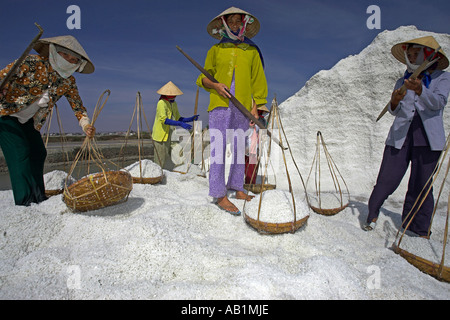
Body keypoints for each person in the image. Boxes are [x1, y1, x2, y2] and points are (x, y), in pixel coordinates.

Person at [364, 36, 450, 238]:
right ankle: (372, 216)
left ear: (428, 55)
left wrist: (420, 89)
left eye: (415, 54)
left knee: (420, 184)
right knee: (387, 179)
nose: (411, 57)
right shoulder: (402, 80)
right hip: (400, 137)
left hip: (427, 139)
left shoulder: (442, 78)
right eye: (409, 54)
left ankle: (417, 228)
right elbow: (396, 111)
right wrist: (394, 101)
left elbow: (438, 103)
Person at [0, 35, 96, 206]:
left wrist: (86, 125)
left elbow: (78, 106)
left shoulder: (68, 81)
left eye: (74, 59)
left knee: (38, 152)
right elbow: (5, 76)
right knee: (19, 152)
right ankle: (24, 201)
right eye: (65, 55)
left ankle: (38, 197)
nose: (69, 60)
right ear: (55, 52)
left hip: (30, 120)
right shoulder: (30, 62)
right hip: (6, 114)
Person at [196, 7, 268, 215]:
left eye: (239, 21)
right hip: (220, 103)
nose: (236, 25)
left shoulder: (252, 51)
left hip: (242, 105)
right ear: (224, 25)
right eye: (232, 22)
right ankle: (219, 194)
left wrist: (255, 107)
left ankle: (237, 187)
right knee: (218, 148)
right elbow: (202, 78)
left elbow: (258, 81)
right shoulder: (216, 50)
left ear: (244, 23)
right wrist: (216, 85)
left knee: (239, 148)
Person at [151, 81, 198, 170]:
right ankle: (158, 176)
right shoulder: (161, 103)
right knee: (160, 160)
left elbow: (178, 118)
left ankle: (179, 171)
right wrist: (180, 124)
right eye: (173, 96)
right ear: (168, 95)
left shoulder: (174, 103)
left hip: (171, 134)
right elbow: (164, 120)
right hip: (161, 136)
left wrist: (189, 119)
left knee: (178, 152)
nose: (175, 97)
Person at [245, 103, 269, 185]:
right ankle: (250, 183)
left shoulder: (248, 118)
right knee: (250, 167)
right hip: (253, 146)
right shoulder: (263, 121)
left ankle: (247, 183)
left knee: (245, 166)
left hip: (246, 144)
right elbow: (263, 136)